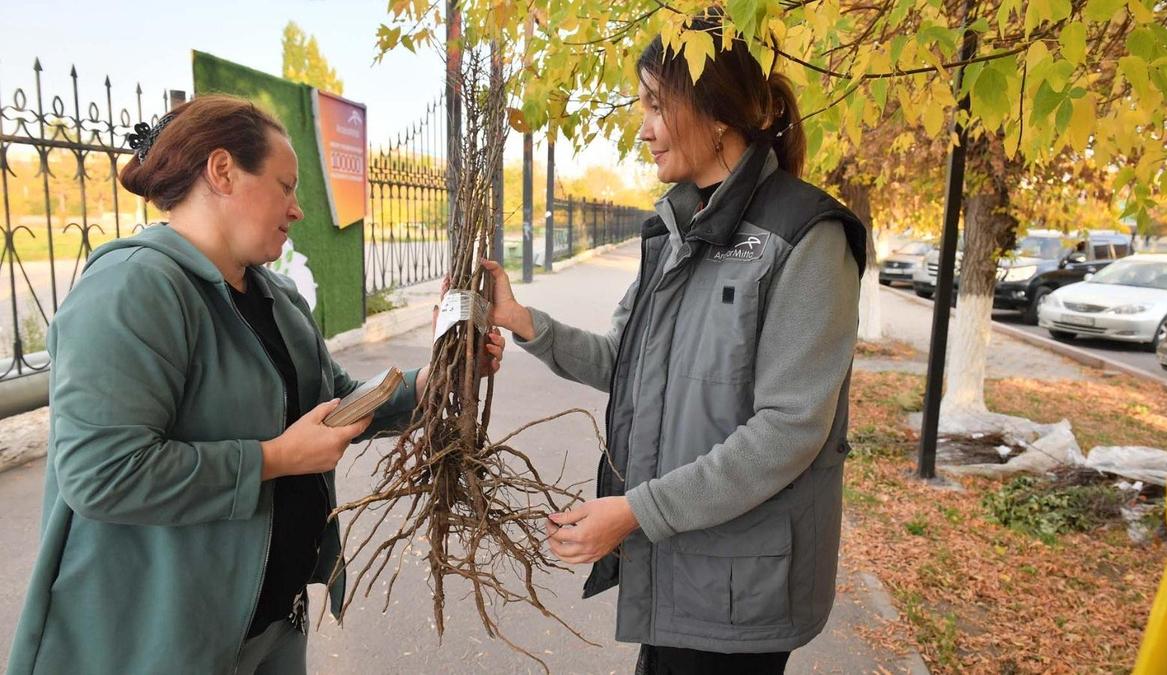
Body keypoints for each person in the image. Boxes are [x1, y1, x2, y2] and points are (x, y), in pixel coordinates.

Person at [5, 94, 505, 674]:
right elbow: (102, 473)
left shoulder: (276, 296)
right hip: (169, 644)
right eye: (285, 185)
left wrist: (438, 380)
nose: (297, 209)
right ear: (222, 172)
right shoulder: (132, 289)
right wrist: (273, 459)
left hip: (275, 624)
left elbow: (336, 403)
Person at [483, 14, 867, 675]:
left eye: (656, 104)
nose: (643, 128)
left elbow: (790, 427)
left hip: (742, 593)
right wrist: (524, 321)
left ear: (715, 111)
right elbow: (623, 361)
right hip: (674, 564)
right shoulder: (673, 231)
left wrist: (636, 511)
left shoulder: (806, 236)